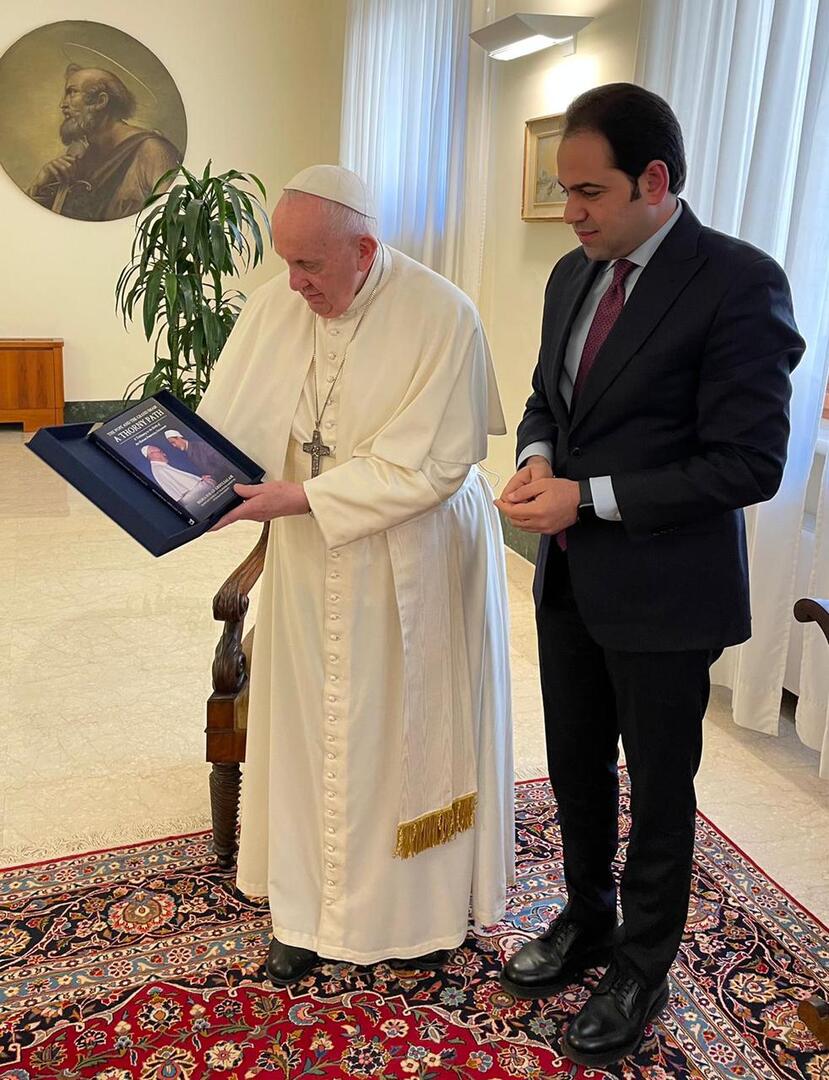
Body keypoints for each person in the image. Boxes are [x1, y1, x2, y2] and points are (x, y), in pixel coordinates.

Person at [496, 83, 804, 1068]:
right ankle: (584, 919)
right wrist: (541, 457)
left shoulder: (737, 282)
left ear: (655, 180)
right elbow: (547, 397)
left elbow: (747, 464)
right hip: (571, 585)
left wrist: (587, 499)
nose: (572, 210)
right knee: (576, 766)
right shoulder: (568, 275)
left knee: (659, 789)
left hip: (668, 594)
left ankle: (641, 964)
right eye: (564, 189)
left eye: (588, 190)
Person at [198, 164, 514, 985]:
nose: (294, 284)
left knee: (400, 728)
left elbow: (440, 463)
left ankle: (418, 912)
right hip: (309, 552)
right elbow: (225, 432)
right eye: (286, 262)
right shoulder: (280, 304)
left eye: (311, 266)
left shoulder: (442, 314)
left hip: (413, 554)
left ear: (366, 248)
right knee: (310, 725)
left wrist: (302, 494)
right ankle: (303, 911)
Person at [27, 64, 181, 221]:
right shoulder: (78, 157)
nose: (62, 104)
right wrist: (41, 184)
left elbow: (169, 220)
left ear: (100, 102)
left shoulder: (153, 151)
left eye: (72, 92)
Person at [140, 444, 215, 512]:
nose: (164, 454)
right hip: (194, 497)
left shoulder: (161, 467)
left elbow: (182, 478)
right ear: (151, 455)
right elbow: (186, 485)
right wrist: (201, 480)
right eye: (160, 451)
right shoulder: (159, 469)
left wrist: (200, 478)